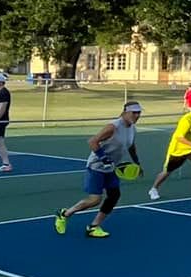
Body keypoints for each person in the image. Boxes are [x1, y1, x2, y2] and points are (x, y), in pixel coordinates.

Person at [57, 101, 146, 238]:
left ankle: (93, 226)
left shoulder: (132, 128)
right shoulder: (113, 127)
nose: (137, 115)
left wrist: (137, 163)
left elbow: (131, 146)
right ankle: (65, 214)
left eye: (139, 112)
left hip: (112, 169)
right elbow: (92, 141)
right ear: (125, 112)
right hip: (96, 167)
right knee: (95, 200)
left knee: (114, 196)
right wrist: (104, 159)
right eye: (134, 112)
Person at [150, 100, 191, 200]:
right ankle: (154, 189)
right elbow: (179, 137)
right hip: (179, 148)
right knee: (167, 171)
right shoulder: (186, 120)